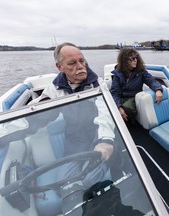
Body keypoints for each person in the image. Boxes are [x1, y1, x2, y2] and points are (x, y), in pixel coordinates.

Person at [29, 42, 116, 192]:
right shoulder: (54, 90)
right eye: (72, 63)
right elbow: (35, 114)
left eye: (82, 61)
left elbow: (105, 113)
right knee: (64, 184)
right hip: (74, 143)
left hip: (98, 136)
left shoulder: (97, 84)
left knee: (90, 180)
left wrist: (105, 141)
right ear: (59, 67)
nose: (81, 66)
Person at [110, 48, 163, 122]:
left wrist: (158, 89)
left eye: (136, 57)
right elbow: (115, 93)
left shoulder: (141, 72)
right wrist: (119, 107)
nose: (135, 60)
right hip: (121, 98)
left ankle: (132, 121)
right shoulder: (118, 74)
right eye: (132, 58)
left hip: (134, 97)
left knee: (127, 107)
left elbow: (151, 81)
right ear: (125, 60)